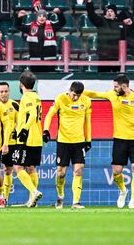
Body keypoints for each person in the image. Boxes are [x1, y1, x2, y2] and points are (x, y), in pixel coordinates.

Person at [83, 74, 134, 209]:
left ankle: (133, 201)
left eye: (116, 87)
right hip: (119, 139)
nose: (114, 89)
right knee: (116, 172)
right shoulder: (112, 95)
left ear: (124, 86)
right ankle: (123, 191)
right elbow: (95, 94)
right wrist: (80, 91)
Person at [43, 81, 92, 209]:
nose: (75, 98)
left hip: (79, 141)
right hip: (63, 141)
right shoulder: (61, 98)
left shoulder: (86, 101)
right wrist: (46, 130)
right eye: (73, 94)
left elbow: (88, 122)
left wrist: (89, 140)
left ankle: (76, 202)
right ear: (69, 90)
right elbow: (49, 114)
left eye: (78, 96)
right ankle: (60, 196)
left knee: (78, 170)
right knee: (61, 173)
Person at [13, 71, 43, 207]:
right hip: (37, 137)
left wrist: (24, 130)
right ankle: (32, 200)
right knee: (32, 168)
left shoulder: (26, 97)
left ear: (21, 85)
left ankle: (34, 191)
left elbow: (31, 115)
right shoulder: (36, 97)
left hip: (27, 139)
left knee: (18, 167)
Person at [15, 8, 66, 73]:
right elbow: (18, 26)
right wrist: (19, 18)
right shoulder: (30, 26)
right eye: (39, 16)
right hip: (35, 60)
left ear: (46, 18)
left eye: (44, 16)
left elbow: (62, 22)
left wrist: (59, 13)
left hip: (50, 60)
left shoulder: (52, 26)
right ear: (37, 17)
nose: (42, 18)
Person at [86, 0, 121, 73]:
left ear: (115, 13)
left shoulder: (119, 23)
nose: (109, 12)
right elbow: (92, 16)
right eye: (108, 11)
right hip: (103, 55)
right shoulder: (101, 21)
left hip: (116, 55)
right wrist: (89, 3)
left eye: (111, 11)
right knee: (103, 77)